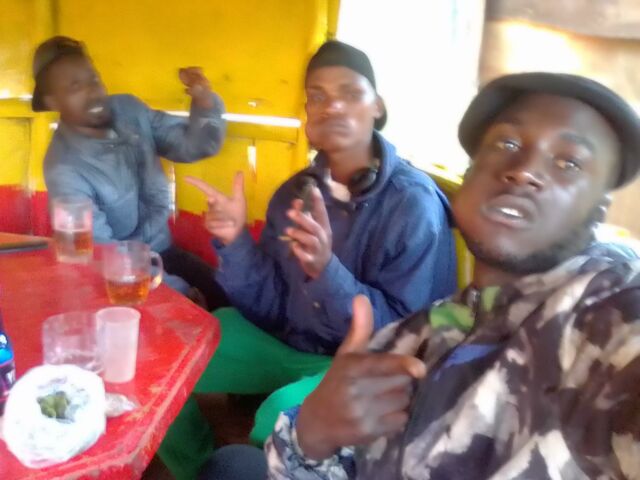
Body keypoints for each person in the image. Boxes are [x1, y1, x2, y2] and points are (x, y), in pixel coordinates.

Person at [265, 72, 640, 479]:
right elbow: (269, 299)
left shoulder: (609, 316)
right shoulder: (411, 338)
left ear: (598, 213)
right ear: (469, 174)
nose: (524, 170)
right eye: (507, 143)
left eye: (568, 163)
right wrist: (313, 434)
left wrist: (325, 272)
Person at [160, 40, 457, 479]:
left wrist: (325, 271)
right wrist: (235, 240)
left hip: (366, 364)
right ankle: (201, 470)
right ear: (307, 113)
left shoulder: (413, 205)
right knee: (166, 364)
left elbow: (404, 336)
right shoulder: (294, 194)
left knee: (278, 417)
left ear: (377, 106)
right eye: (317, 95)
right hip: (293, 342)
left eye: (349, 92)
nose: (331, 105)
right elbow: (270, 306)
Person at [35, 36, 228, 309]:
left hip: (164, 251)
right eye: (74, 87)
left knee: (234, 299)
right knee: (198, 313)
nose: (92, 91)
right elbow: (100, 252)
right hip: (118, 279)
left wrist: (204, 102)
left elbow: (192, 145)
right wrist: (180, 292)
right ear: (53, 101)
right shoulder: (64, 168)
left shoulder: (129, 111)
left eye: (93, 79)